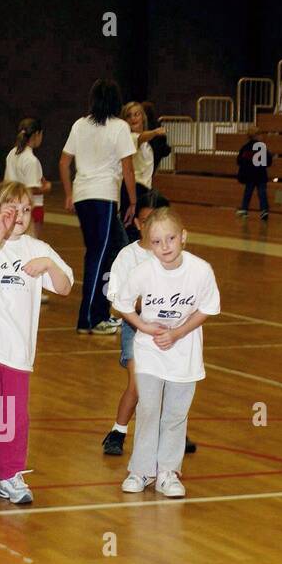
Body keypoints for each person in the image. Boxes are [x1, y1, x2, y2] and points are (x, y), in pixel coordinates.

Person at [0, 181, 72, 506]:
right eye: (11, 209)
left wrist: (49, 266)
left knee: (15, 417)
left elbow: (63, 288)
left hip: (18, 350)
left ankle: (10, 475)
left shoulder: (39, 249)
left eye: (24, 209)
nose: (19, 215)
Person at [111, 207, 218, 499]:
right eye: (156, 242)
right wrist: (143, 327)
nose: (165, 247)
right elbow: (121, 303)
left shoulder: (200, 270)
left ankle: (168, 471)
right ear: (148, 243)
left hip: (184, 354)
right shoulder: (143, 272)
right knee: (148, 409)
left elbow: (208, 308)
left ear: (183, 237)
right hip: (150, 352)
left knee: (174, 414)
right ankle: (141, 470)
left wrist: (178, 333)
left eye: (170, 238)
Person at [102, 191, 198, 460]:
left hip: (170, 331)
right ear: (138, 223)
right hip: (137, 329)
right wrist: (144, 304)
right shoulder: (127, 257)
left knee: (171, 383)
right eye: (147, 221)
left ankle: (172, 432)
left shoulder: (178, 257)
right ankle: (118, 431)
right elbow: (115, 306)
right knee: (139, 385)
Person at [59, 79, 135, 335]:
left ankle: (101, 311)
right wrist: (133, 201)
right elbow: (127, 168)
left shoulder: (80, 125)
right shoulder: (120, 127)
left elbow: (63, 162)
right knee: (98, 255)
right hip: (103, 197)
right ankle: (88, 319)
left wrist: (70, 194)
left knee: (112, 250)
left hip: (83, 196)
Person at [122, 101, 165, 242]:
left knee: (142, 229)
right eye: (129, 116)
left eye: (137, 114)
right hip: (133, 189)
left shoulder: (147, 144)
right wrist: (155, 132)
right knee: (132, 230)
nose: (133, 118)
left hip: (144, 190)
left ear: (142, 117)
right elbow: (141, 137)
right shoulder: (129, 138)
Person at [3, 117, 51, 240]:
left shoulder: (12, 154)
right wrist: (45, 188)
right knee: (31, 246)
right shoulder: (31, 160)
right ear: (36, 134)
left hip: (12, 205)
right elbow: (30, 189)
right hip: (31, 208)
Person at [236, 130, 272, 220]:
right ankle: (264, 210)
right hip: (260, 174)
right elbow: (268, 161)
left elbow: (239, 161)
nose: (262, 136)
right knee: (262, 193)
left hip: (250, 175)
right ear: (256, 136)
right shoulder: (262, 147)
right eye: (260, 134)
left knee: (248, 192)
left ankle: (244, 209)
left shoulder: (245, 147)